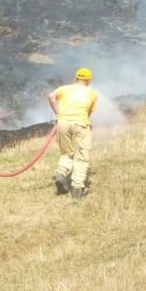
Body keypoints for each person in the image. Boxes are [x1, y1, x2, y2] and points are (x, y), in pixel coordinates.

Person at [48, 67, 98, 199]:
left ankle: (61, 174)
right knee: (81, 155)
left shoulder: (65, 88)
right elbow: (88, 113)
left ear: (75, 79)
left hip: (62, 122)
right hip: (80, 123)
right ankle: (77, 188)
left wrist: (58, 113)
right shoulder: (91, 93)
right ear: (88, 81)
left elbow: (51, 96)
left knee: (67, 153)